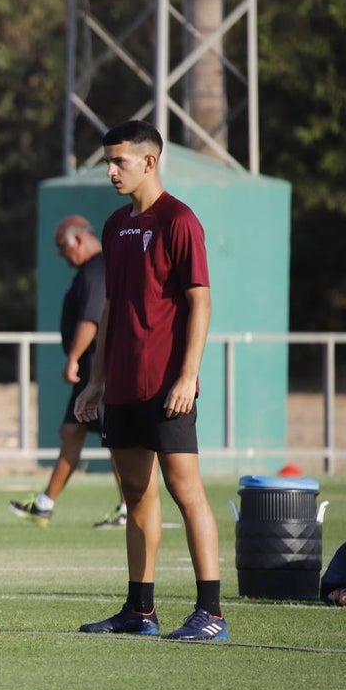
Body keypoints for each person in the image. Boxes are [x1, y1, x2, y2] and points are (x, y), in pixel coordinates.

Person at [73, 120, 229, 641]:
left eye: (119, 161)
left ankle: (211, 613)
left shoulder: (179, 220)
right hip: (122, 385)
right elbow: (111, 307)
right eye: (108, 162)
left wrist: (188, 375)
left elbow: (200, 301)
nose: (111, 171)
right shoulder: (115, 226)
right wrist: (96, 380)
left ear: (149, 161)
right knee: (136, 492)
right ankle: (140, 611)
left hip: (167, 385)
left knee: (185, 491)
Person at [9, 215, 133, 529]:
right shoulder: (90, 270)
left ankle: (128, 508)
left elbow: (92, 320)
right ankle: (45, 504)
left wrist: (74, 358)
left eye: (63, 247)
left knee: (115, 438)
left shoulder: (97, 269)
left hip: (98, 370)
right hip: (91, 370)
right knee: (71, 431)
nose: (61, 255)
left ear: (78, 240)